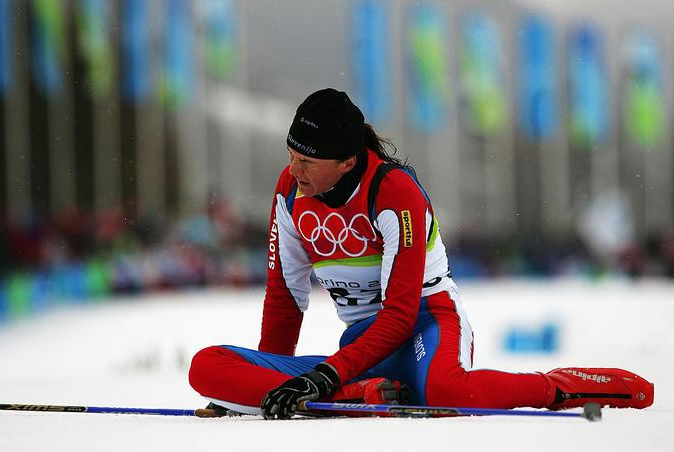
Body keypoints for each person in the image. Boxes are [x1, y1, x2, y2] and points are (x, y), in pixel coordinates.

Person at [188, 88, 654, 419]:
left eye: (307, 161)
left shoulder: (395, 193)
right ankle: (359, 394)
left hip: (426, 322)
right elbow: (285, 297)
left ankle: (562, 385)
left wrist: (327, 376)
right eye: (291, 154)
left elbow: (399, 313)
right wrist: (271, 393)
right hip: (363, 347)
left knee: (445, 391)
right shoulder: (290, 192)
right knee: (205, 366)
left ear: (348, 161)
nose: (293, 170)